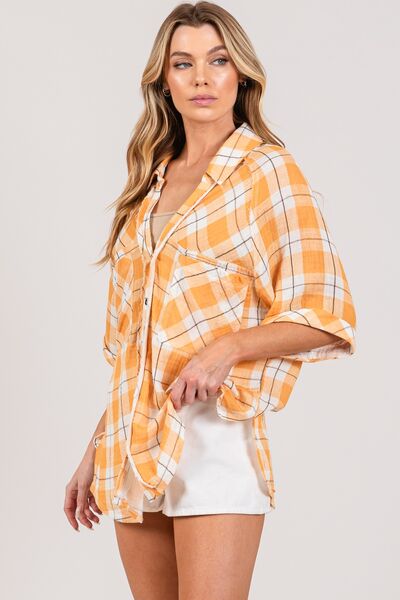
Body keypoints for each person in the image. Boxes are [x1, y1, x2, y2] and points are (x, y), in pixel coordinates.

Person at [64, 2, 357, 599]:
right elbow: (136, 349)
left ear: (241, 75)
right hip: (132, 443)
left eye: (218, 61)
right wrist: (95, 449)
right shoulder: (148, 186)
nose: (201, 77)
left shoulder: (266, 171)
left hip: (214, 439)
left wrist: (226, 349)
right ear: (163, 81)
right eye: (183, 63)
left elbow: (329, 316)